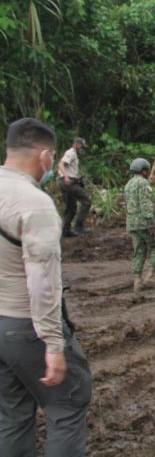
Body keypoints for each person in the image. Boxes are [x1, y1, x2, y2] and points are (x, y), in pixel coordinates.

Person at [0, 118, 92, 455]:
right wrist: (53, 343)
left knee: (11, 414)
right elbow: (42, 283)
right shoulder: (34, 204)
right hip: (26, 325)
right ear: (45, 156)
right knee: (68, 403)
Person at [124, 158, 155, 294]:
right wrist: (151, 226)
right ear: (143, 170)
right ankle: (150, 276)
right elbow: (146, 205)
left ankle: (137, 281)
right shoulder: (143, 183)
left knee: (139, 250)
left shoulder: (128, 184)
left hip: (131, 223)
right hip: (143, 222)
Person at [57, 137, 91, 237]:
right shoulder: (71, 153)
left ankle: (65, 230)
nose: (82, 148)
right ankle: (78, 226)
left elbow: (67, 168)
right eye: (81, 146)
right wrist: (66, 176)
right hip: (68, 182)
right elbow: (61, 164)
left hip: (66, 181)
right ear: (76, 144)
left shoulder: (73, 154)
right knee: (86, 201)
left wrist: (77, 178)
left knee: (71, 207)